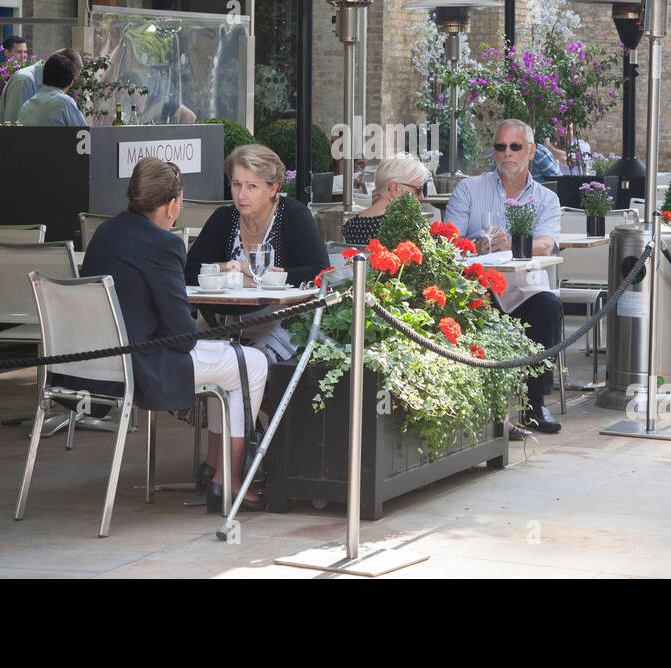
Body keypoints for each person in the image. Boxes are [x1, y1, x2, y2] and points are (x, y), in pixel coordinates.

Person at [82, 157, 266, 511]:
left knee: (231, 360)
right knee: (252, 363)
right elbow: (182, 337)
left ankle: (214, 467)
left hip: (96, 362)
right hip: (143, 364)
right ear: (171, 205)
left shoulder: (105, 233)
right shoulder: (163, 244)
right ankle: (227, 480)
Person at [446, 119, 563, 434]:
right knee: (473, 307)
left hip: (526, 288)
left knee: (549, 308)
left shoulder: (546, 198)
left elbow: (546, 243)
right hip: (481, 285)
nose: (507, 153)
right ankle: (488, 406)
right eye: (501, 146)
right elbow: (449, 240)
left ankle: (535, 405)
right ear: (493, 151)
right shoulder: (469, 189)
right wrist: (477, 246)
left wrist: (512, 244)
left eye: (515, 146)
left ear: (531, 151)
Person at [185, 144, 326, 287]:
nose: (241, 195)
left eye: (252, 186)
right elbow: (189, 271)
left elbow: (320, 272)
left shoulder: (294, 215)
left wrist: (266, 279)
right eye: (236, 184)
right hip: (228, 308)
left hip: (282, 308)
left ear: (273, 188)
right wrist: (238, 267)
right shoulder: (224, 218)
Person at [342, 153, 430, 246]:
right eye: (418, 190)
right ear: (395, 188)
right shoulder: (405, 226)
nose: (421, 196)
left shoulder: (352, 225)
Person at [0, 47, 81, 124]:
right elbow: (12, 128)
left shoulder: (45, 94)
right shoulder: (24, 81)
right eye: (72, 79)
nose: (70, 84)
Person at [17, 52, 86, 127]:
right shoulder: (64, 103)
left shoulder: (27, 105)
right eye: (74, 80)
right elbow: (84, 134)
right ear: (71, 81)